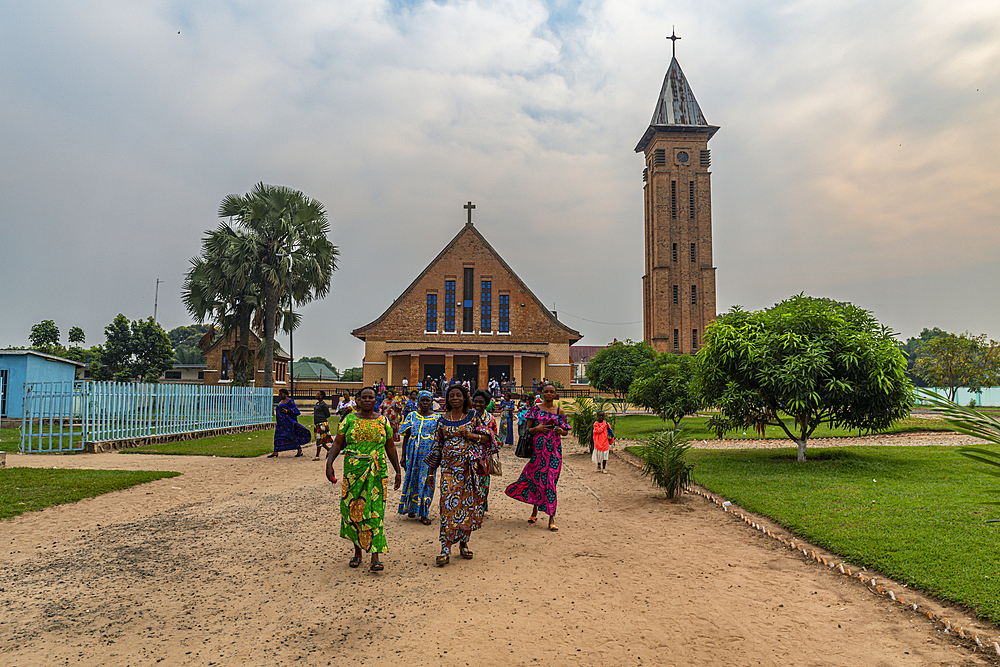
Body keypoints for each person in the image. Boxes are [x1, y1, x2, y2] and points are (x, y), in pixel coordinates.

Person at [325, 387, 402, 572]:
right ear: (357, 400)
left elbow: (390, 446)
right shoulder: (349, 419)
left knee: (375, 511)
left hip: (377, 471)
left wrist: (398, 471)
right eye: (363, 397)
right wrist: (329, 463)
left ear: (376, 400)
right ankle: (357, 551)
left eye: (371, 397)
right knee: (353, 509)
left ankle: (375, 555)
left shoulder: (383, 421)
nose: (367, 400)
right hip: (353, 471)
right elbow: (337, 442)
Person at [425, 384, 497, 566]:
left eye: (459, 395)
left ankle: (464, 543)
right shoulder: (441, 421)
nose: (455, 398)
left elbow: (489, 438)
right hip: (449, 470)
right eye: (451, 395)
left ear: (465, 398)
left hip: (469, 470)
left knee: (467, 506)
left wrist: (471, 436)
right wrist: (431, 473)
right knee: (447, 507)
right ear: (447, 399)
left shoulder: (473, 417)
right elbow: (437, 447)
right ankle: (445, 548)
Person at [505, 383, 569, 531]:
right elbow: (526, 430)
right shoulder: (535, 410)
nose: (548, 394)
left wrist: (560, 430)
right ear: (542, 393)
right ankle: (534, 511)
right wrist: (537, 428)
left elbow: (566, 431)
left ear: (555, 394)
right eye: (545, 391)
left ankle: (551, 518)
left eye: (551, 392)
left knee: (551, 483)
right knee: (536, 481)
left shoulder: (560, 412)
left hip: (554, 453)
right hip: (538, 453)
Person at [397, 391, 440, 524]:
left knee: (427, 481)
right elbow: (406, 436)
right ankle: (412, 507)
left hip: (429, 455)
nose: (425, 403)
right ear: (418, 402)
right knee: (412, 479)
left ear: (431, 402)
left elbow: (440, 439)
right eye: (423, 401)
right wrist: (403, 456)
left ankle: (424, 513)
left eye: (428, 401)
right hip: (413, 454)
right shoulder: (411, 416)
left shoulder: (437, 418)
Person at [471, 390, 499, 512]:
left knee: (484, 480)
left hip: (485, 455)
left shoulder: (491, 419)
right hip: (470, 454)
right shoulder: (468, 416)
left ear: (486, 403)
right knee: (471, 480)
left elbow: (495, 438)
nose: (478, 404)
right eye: (476, 401)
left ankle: (481, 506)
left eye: (481, 402)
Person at [269, 389, 310, 458]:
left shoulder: (289, 401)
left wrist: (288, 411)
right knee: (277, 436)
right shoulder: (281, 401)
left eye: (281, 394)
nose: (279, 395)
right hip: (280, 423)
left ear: (285, 394)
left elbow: (296, 409)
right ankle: (275, 451)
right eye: (279, 394)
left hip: (288, 423)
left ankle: (299, 450)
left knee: (291, 436)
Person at [313, 390, 334, 461]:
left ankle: (317, 456)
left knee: (319, 439)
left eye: (318, 394)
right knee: (320, 440)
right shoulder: (317, 404)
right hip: (316, 424)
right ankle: (329, 450)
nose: (316, 395)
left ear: (321, 396)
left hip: (321, 424)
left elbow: (327, 414)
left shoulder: (324, 405)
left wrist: (321, 418)